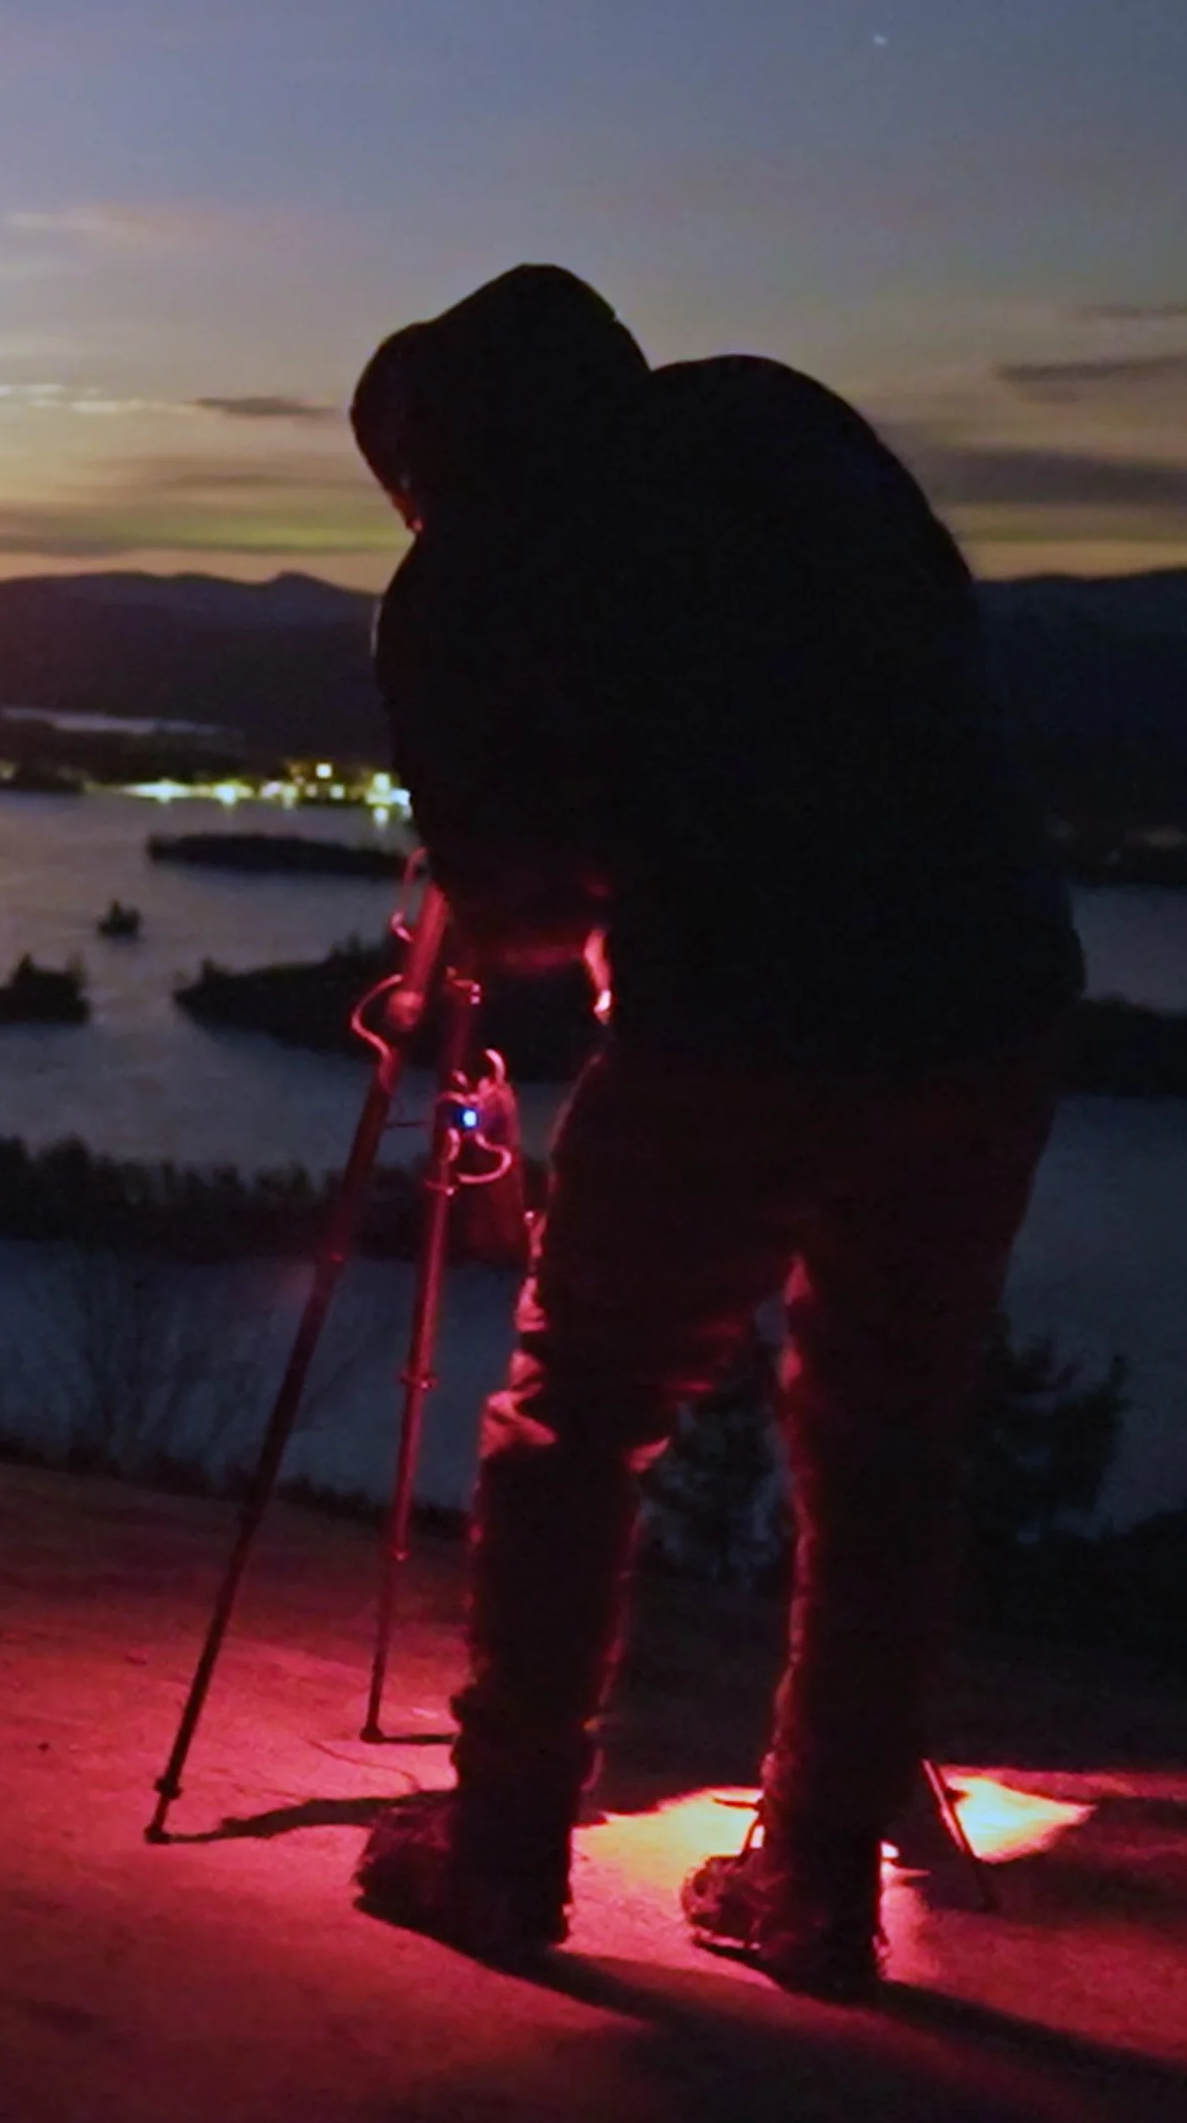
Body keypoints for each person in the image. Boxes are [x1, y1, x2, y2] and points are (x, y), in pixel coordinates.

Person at [348, 265, 1082, 1999]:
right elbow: (933, 653)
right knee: (887, 1429)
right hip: (990, 988)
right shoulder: (780, 420)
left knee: (579, 1413)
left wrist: (520, 884)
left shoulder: (461, 585)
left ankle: (507, 1846)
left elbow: (520, 913)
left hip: (742, 1020)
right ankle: (818, 1882)